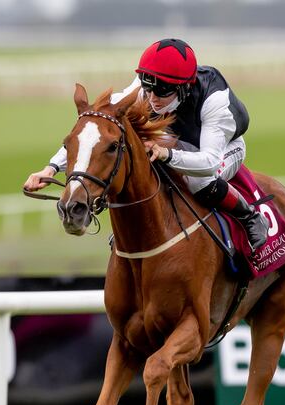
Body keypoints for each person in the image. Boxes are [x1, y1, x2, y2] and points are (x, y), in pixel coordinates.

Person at [23, 38, 270, 251]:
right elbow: (95, 132)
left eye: (162, 92)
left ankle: (249, 217)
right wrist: (51, 168)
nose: (152, 99)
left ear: (184, 88)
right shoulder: (148, 85)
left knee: (197, 180)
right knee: (132, 153)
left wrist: (166, 155)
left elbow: (208, 163)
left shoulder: (215, 103)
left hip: (223, 149)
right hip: (177, 140)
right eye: (149, 89)